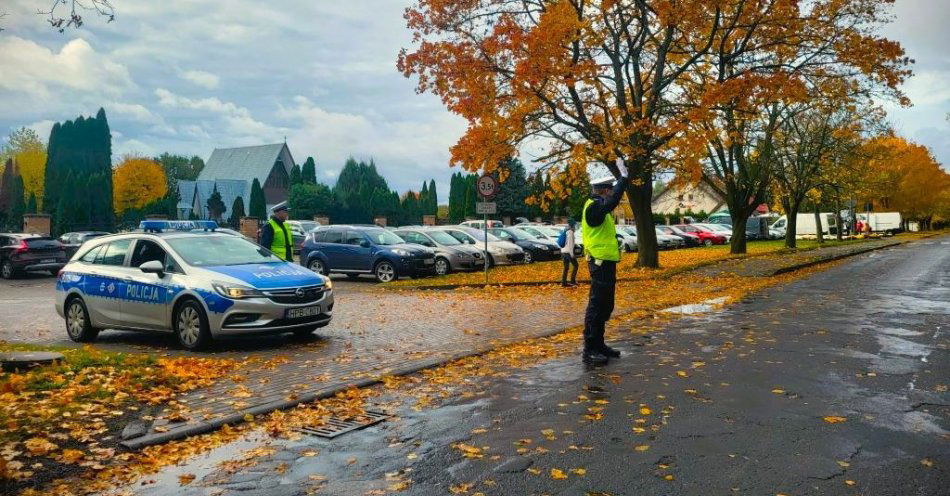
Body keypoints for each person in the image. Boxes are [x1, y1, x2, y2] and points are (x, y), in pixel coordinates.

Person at [581, 161, 629, 365]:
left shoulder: (600, 209)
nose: (612, 195)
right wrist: (623, 179)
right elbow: (611, 203)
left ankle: (599, 344)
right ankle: (590, 348)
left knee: (605, 305)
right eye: (610, 190)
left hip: (607, 262)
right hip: (599, 263)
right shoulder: (594, 208)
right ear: (604, 191)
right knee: (597, 305)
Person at [560, 220, 578, 287]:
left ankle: (563, 283)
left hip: (563, 251)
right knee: (576, 265)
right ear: (573, 225)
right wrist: (572, 254)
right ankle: (572, 281)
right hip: (568, 252)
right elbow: (570, 244)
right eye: (575, 225)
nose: (575, 227)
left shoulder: (565, 231)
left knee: (566, 267)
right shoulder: (570, 232)